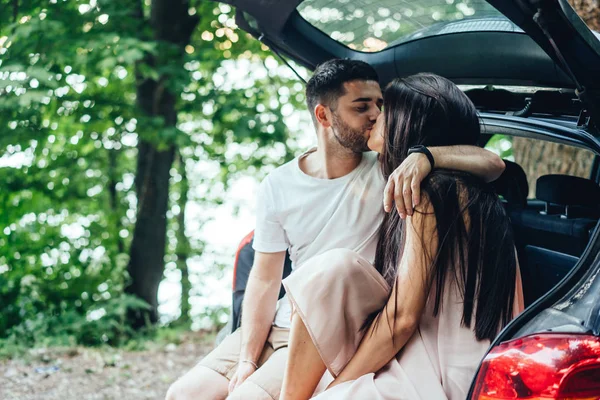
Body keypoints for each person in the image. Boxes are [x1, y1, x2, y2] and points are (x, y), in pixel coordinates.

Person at [166, 61, 506, 400]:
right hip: (284, 317)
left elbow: (492, 164)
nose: (375, 114)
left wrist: (425, 156)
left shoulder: (392, 170)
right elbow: (265, 279)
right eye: (362, 106)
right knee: (182, 394)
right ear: (324, 116)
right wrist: (247, 358)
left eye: (380, 105)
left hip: (336, 324)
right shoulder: (278, 184)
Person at [279, 73, 525, 400]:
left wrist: (341, 387)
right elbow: (491, 163)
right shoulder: (458, 185)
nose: (373, 117)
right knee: (333, 269)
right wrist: (427, 156)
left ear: (405, 121)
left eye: (383, 109)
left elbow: (402, 318)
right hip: (460, 358)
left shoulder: (430, 191)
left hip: (445, 372)